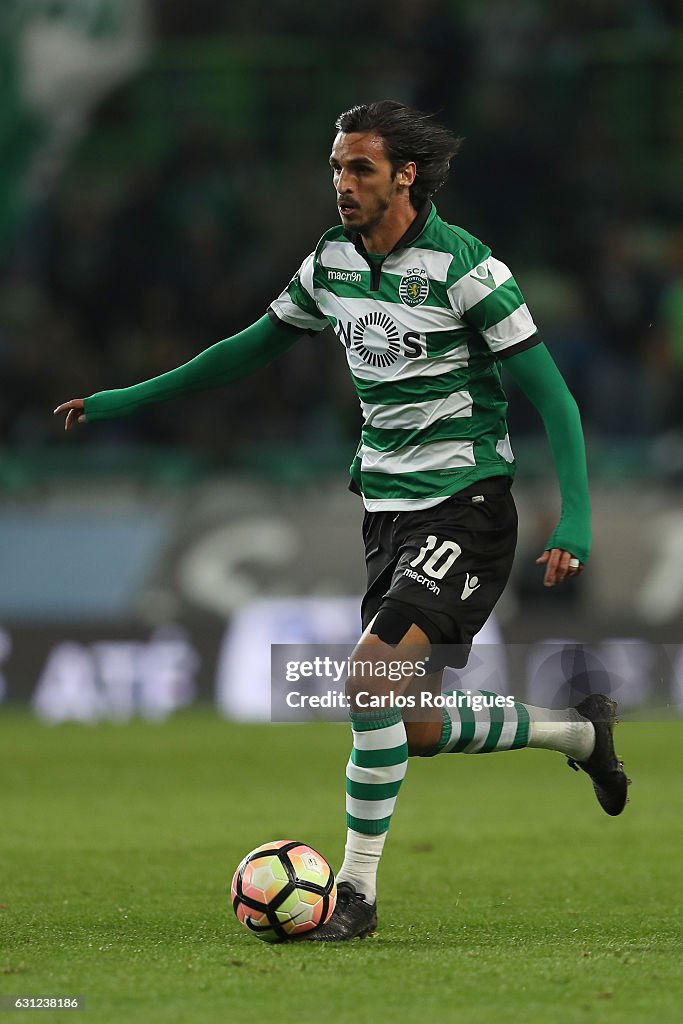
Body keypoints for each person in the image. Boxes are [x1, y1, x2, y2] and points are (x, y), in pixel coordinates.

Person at [55, 101, 629, 942]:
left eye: (359, 168)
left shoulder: (468, 270)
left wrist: (574, 519)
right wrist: (125, 400)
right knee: (412, 723)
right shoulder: (330, 262)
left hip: (465, 506)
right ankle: (580, 733)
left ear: (405, 174)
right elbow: (247, 347)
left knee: (364, 684)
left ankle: (353, 895)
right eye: (335, 167)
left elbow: (554, 399)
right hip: (387, 515)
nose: (341, 185)